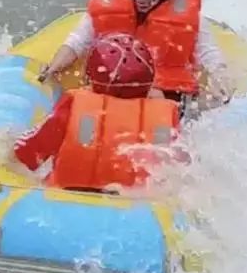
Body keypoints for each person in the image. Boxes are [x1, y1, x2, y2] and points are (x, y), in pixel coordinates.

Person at [38, 0, 229, 118]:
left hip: (166, 93)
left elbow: (210, 54)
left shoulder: (189, 18)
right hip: (114, 86)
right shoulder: (106, 8)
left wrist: (220, 83)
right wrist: (54, 67)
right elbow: (77, 42)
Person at [12, 33, 185, 193]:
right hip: (135, 206)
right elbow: (174, 170)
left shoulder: (74, 106)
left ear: (91, 77)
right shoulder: (164, 115)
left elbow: (27, 153)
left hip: (68, 198)